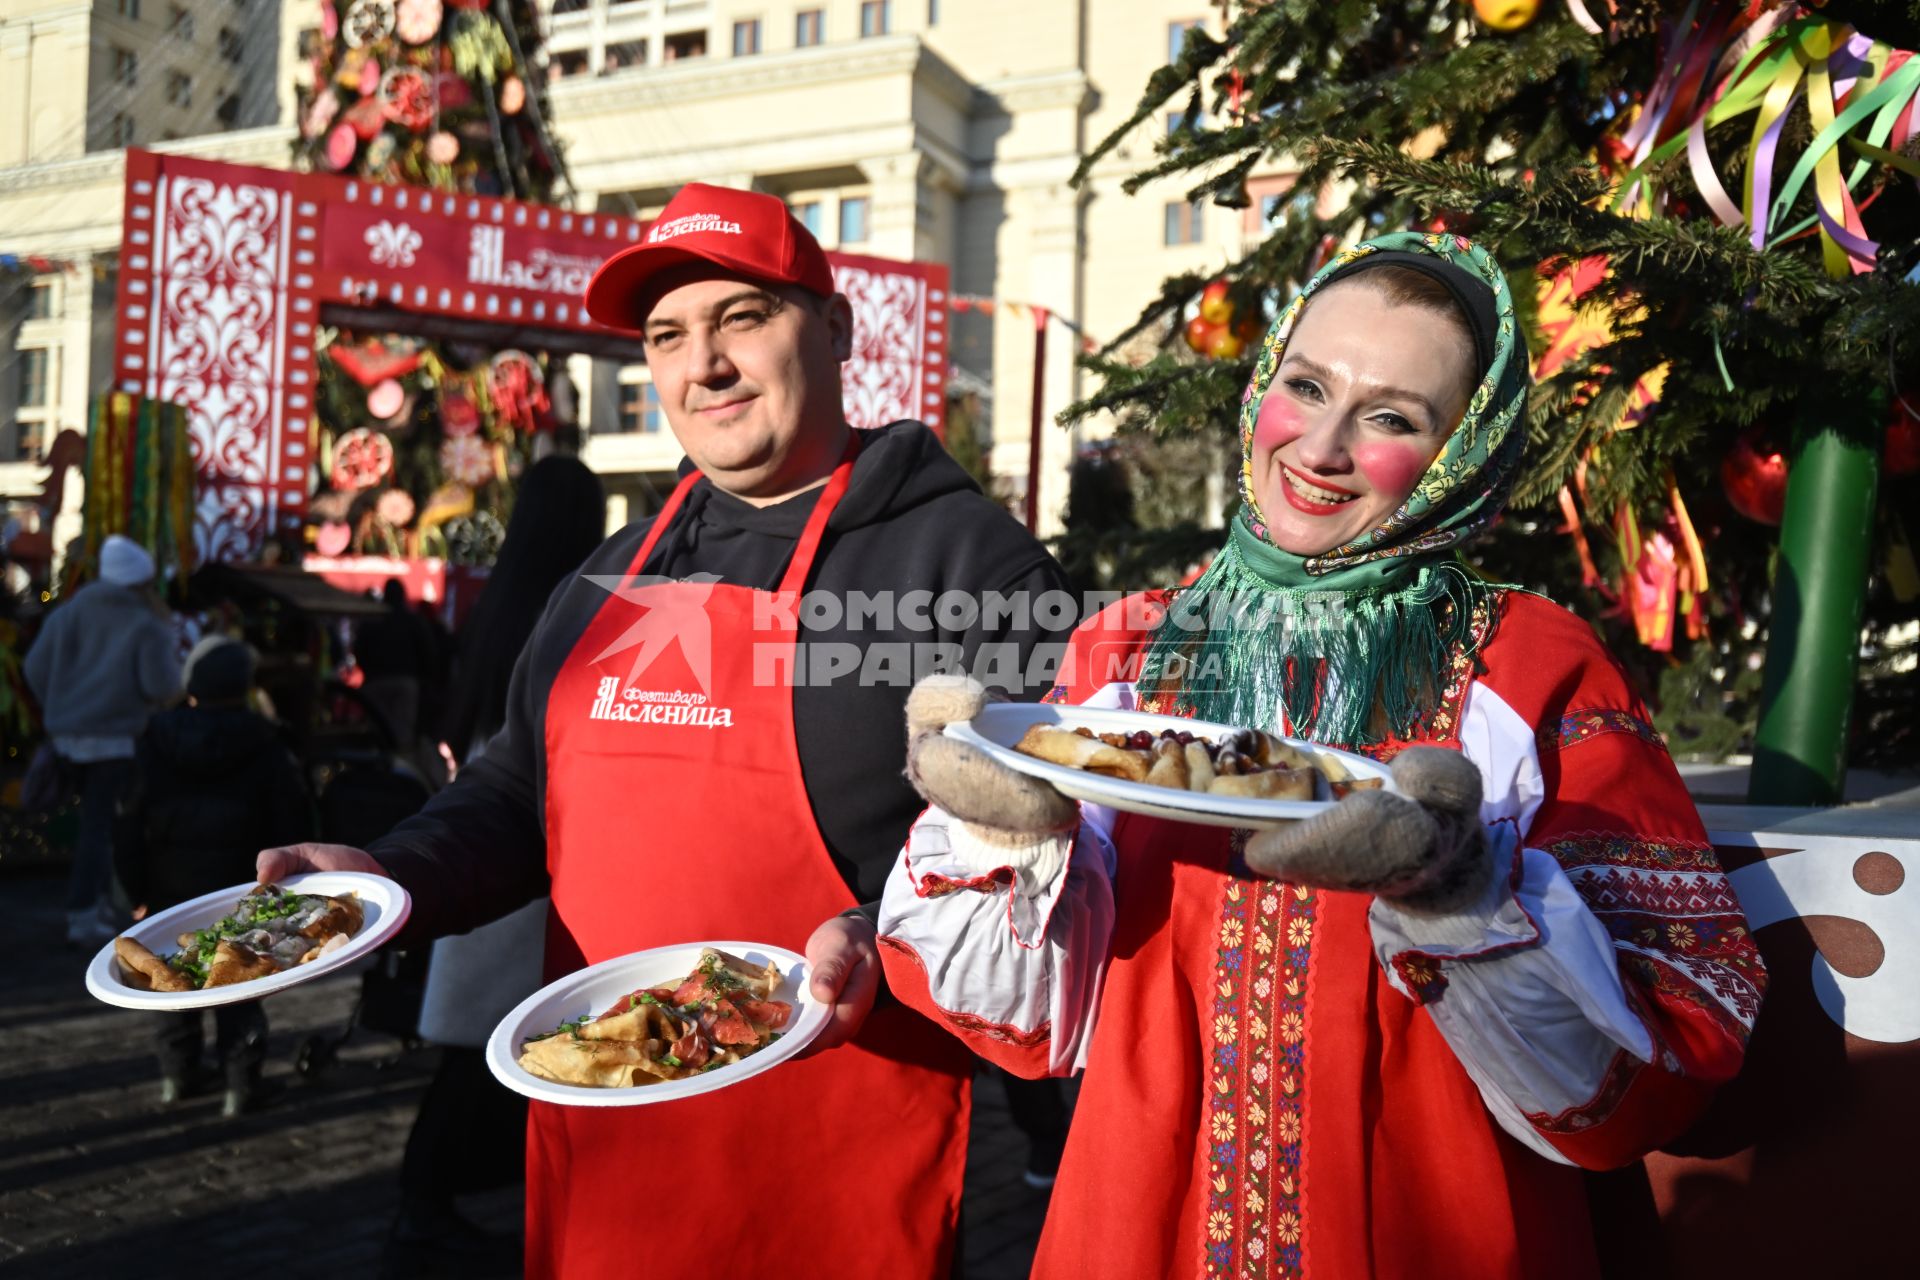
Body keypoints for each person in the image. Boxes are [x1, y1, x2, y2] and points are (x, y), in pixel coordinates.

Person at [859, 234, 1767, 1278]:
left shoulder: (1532, 665)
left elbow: (1655, 1068)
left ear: (1463, 454)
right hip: (1139, 1224)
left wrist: (1462, 894)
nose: (1322, 445)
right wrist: (1002, 834)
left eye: (1391, 417)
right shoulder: (1131, 645)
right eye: (1307, 385)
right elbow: (1026, 1019)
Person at [259, 182, 1074, 1279]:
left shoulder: (968, 566)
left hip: (828, 1155)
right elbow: (514, 790)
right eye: (669, 335)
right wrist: (386, 877)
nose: (706, 365)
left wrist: (878, 924)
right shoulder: (609, 571)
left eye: (741, 318)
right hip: (604, 1149)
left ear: (832, 328)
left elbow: (1051, 838)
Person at [384, 456, 606, 1277]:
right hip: (523, 854)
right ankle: (423, 1205)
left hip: (489, 835)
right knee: (484, 1051)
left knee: (481, 1049)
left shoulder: (499, 604)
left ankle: (436, 1201)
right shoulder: (572, 606)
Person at [114, 636, 316, 1115]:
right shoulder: (266, 742)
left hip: (168, 886)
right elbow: (294, 823)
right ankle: (240, 1086)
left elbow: (127, 822)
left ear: (192, 686)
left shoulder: (154, 740)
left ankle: (178, 1077)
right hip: (240, 889)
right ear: (243, 688)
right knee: (241, 984)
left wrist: (133, 890)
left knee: (169, 980)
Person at [24, 534, 183, 945]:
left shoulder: (68, 613)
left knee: (90, 827)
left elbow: (34, 667)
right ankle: (84, 912)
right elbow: (162, 684)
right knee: (102, 828)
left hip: (67, 737)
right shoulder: (144, 622)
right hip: (114, 740)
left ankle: (93, 906)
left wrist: (60, 705)